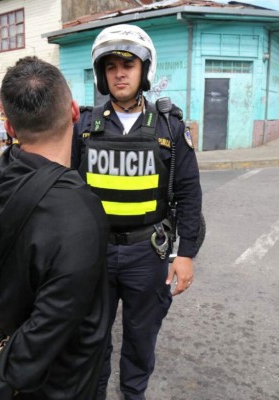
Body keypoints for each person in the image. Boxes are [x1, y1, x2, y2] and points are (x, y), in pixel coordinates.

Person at [0, 56, 110, 399]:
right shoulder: (81, 212)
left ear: (10, 128)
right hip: (59, 383)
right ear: (74, 111)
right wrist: (3, 380)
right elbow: (53, 322)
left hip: (12, 359)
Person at [72, 24, 202, 399]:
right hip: (93, 254)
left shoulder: (169, 127)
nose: (120, 73)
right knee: (92, 338)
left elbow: (189, 195)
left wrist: (186, 254)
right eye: (111, 65)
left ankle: (133, 394)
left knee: (141, 339)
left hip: (148, 253)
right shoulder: (84, 125)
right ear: (102, 74)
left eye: (128, 64)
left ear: (144, 70)